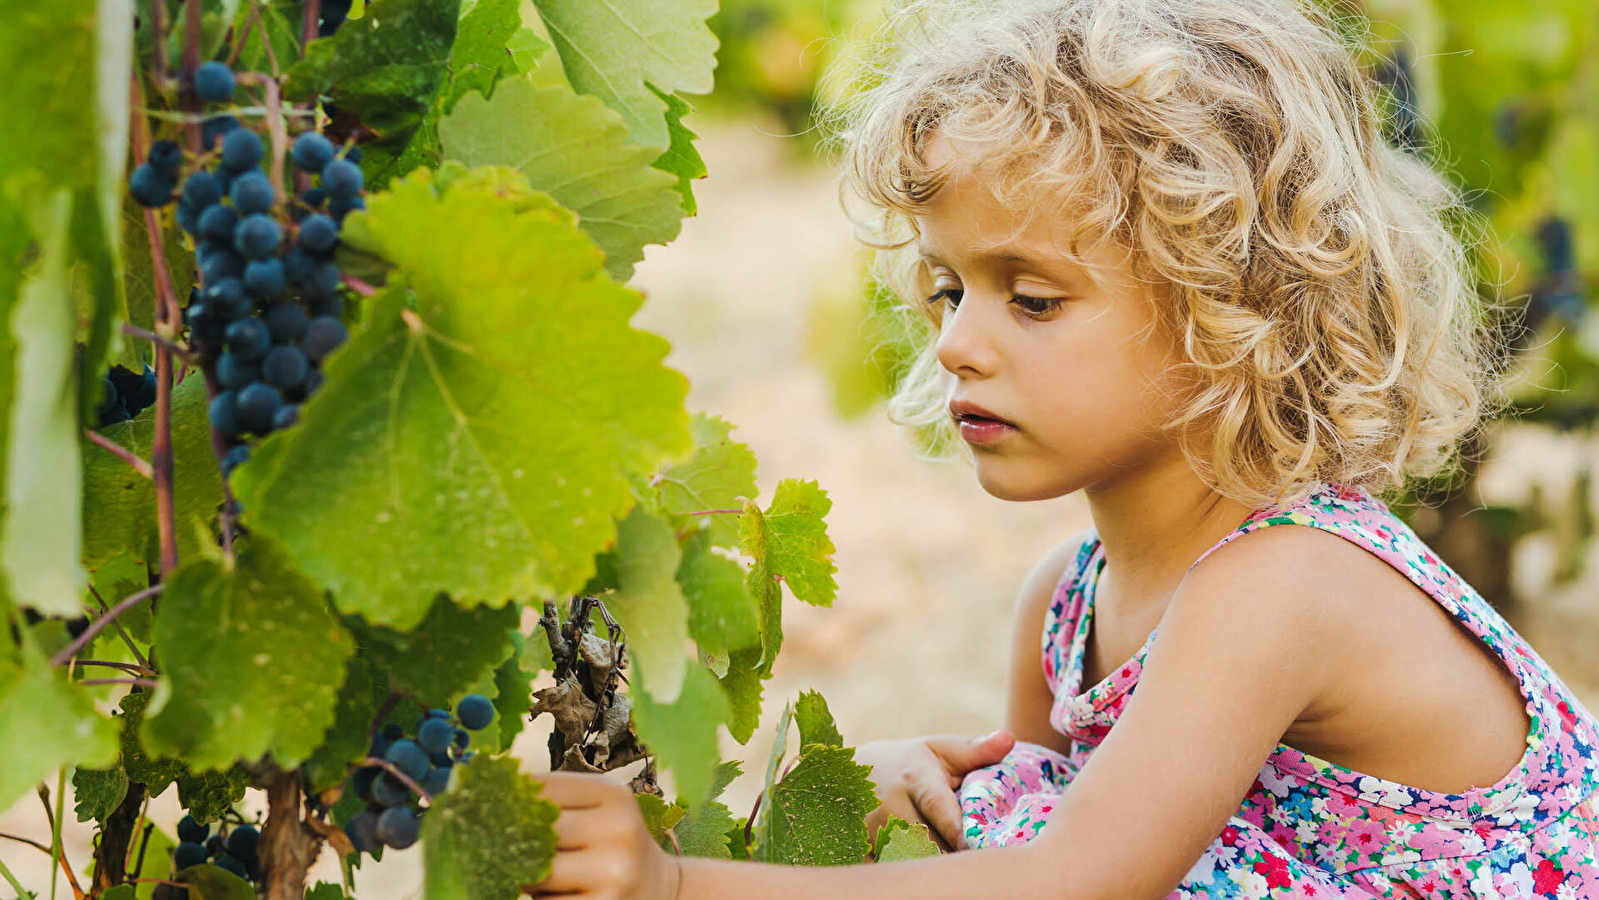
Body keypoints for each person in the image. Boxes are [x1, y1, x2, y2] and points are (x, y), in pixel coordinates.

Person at [525, 0, 1599, 896]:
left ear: (1232, 312)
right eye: (947, 289)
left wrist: (677, 885)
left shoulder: (1286, 581)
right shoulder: (1064, 603)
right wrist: (905, 792)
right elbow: (1036, 835)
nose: (955, 341)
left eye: (1031, 299)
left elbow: (1074, 879)